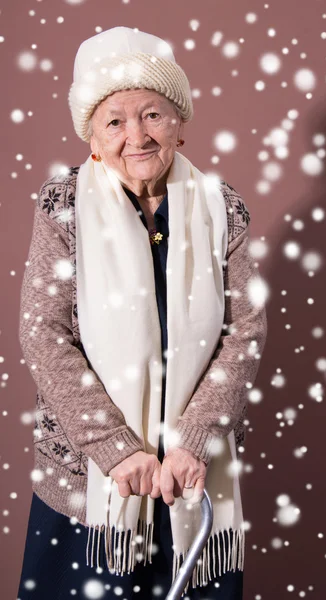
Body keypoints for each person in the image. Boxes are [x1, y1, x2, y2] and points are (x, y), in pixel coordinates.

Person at [16, 26, 268, 600]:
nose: (137, 135)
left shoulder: (221, 208)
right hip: (91, 483)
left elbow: (244, 331)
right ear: (93, 140)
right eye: (115, 121)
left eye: (152, 115)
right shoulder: (63, 208)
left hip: (190, 474)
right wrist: (116, 447)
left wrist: (194, 438)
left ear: (179, 121)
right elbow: (44, 334)